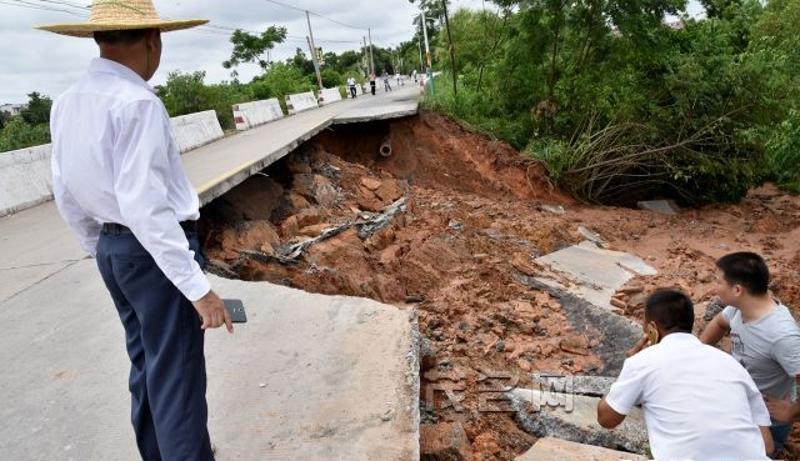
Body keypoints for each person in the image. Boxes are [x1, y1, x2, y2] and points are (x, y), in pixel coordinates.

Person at [37, 1, 232, 460]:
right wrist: (198, 288)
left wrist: (104, 248)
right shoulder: (139, 103)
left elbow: (65, 192)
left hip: (114, 250)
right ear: (152, 40)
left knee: (147, 366)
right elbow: (146, 207)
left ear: (99, 40)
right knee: (178, 379)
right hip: (150, 255)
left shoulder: (66, 103)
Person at [598, 289, 773, 460]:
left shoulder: (642, 362)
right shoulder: (731, 364)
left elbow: (606, 419)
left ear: (652, 328)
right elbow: (767, 445)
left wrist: (627, 373)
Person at [700, 252, 800, 456]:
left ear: (737, 289)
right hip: (737, 402)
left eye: (718, 281)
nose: (714, 287)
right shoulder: (740, 308)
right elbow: (720, 322)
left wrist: (791, 411)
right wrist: (696, 352)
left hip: (764, 422)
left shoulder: (781, 335)